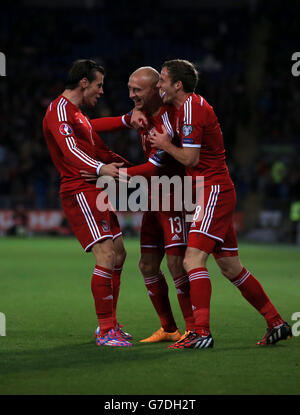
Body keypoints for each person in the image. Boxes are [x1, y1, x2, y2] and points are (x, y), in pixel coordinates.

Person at [150, 59, 292, 349]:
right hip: (212, 190)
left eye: (162, 79)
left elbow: (191, 159)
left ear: (178, 84)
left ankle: (201, 333)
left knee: (192, 260)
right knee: (230, 266)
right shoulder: (182, 108)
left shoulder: (190, 109)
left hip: (212, 191)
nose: (158, 84)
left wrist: (165, 145)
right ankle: (276, 323)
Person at [88, 67, 195, 342]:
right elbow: (89, 126)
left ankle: (194, 330)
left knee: (176, 264)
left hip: (176, 197)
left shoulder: (171, 116)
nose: (131, 94)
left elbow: (153, 166)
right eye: (129, 88)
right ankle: (169, 329)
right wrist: (124, 118)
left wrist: (115, 174)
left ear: (155, 90)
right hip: (155, 199)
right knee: (147, 265)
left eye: (137, 90)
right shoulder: (143, 116)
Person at [43, 59, 135, 347]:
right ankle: (105, 329)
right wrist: (99, 168)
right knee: (106, 256)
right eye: (99, 85)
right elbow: (69, 150)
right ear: (84, 82)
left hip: (95, 188)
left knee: (119, 254)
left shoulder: (78, 114)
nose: (102, 91)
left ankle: (111, 324)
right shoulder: (58, 109)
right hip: (80, 189)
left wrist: (135, 170)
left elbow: (99, 148)